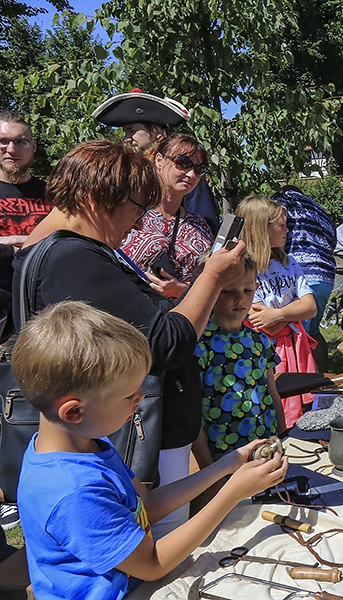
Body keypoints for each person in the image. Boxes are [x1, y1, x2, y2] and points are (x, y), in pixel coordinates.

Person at [13, 138, 248, 539]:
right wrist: (211, 276)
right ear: (95, 198)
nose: (139, 223)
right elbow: (164, 344)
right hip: (134, 440)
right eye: (137, 208)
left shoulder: (59, 253)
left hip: (121, 438)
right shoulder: (73, 258)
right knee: (155, 545)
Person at [13, 301, 287, 600]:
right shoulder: (75, 492)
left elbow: (148, 505)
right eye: (129, 394)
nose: (141, 398)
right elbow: (153, 563)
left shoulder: (88, 444)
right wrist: (231, 492)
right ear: (74, 411)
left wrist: (227, 465)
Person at [192, 256, 285, 474]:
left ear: (257, 288)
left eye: (247, 290)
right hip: (223, 461)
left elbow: (273, 394)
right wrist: (209, 472)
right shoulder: (199, 345)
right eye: (227, 291)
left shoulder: (259, 341)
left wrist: (283, 437)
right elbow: (192, 414)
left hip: (265, 452)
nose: (239, 299)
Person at [236, 195, 317, 426]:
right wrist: (294, 313)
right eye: (282, 225)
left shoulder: (287, 262)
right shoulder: (246, 268)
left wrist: (278, 314)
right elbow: (262, 322)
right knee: (273, 404)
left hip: (294, 349)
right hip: (266, 352)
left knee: (301, 401)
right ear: (263, 228)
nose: (287, 230)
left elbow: (310, 307)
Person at [92, 89, 220, 232]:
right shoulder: (125, 171)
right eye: (126, 132)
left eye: (132, 131)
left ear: (157, 132)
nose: (126, 138)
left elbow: (205, 226)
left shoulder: (185, 171)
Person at [120, 133, 214, 299]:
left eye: (199, 169)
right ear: (159, 160)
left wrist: (183, 289)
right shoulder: (128, 213)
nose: (191, 174)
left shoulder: (200, 226)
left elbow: (213, 282)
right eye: (183, 163)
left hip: (184, 320)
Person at [272, 185, 338, 373]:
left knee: (295, 334)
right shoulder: (320, 210)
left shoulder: (284, 202)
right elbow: (332, 241)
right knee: (314, 332)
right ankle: (323, 381)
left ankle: (300, 385)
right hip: (325, 275)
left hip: (299, 273)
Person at [0, 111, 51, 346]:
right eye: (3, 141)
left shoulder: (54, 194)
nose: (11, 149)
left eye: (20, 142)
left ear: (33, 146)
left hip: (43, 309)